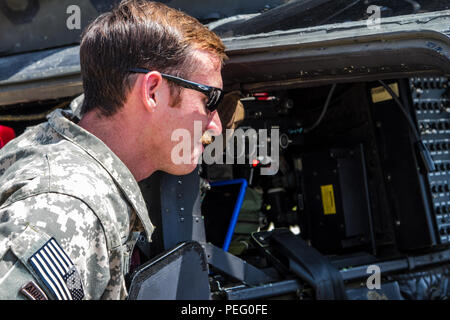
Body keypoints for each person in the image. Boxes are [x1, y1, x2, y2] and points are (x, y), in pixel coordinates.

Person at [0, 0, 227, 300]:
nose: (217, 126)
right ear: (152, 92)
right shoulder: (69, 209)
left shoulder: (50, 146)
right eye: (209, 101)